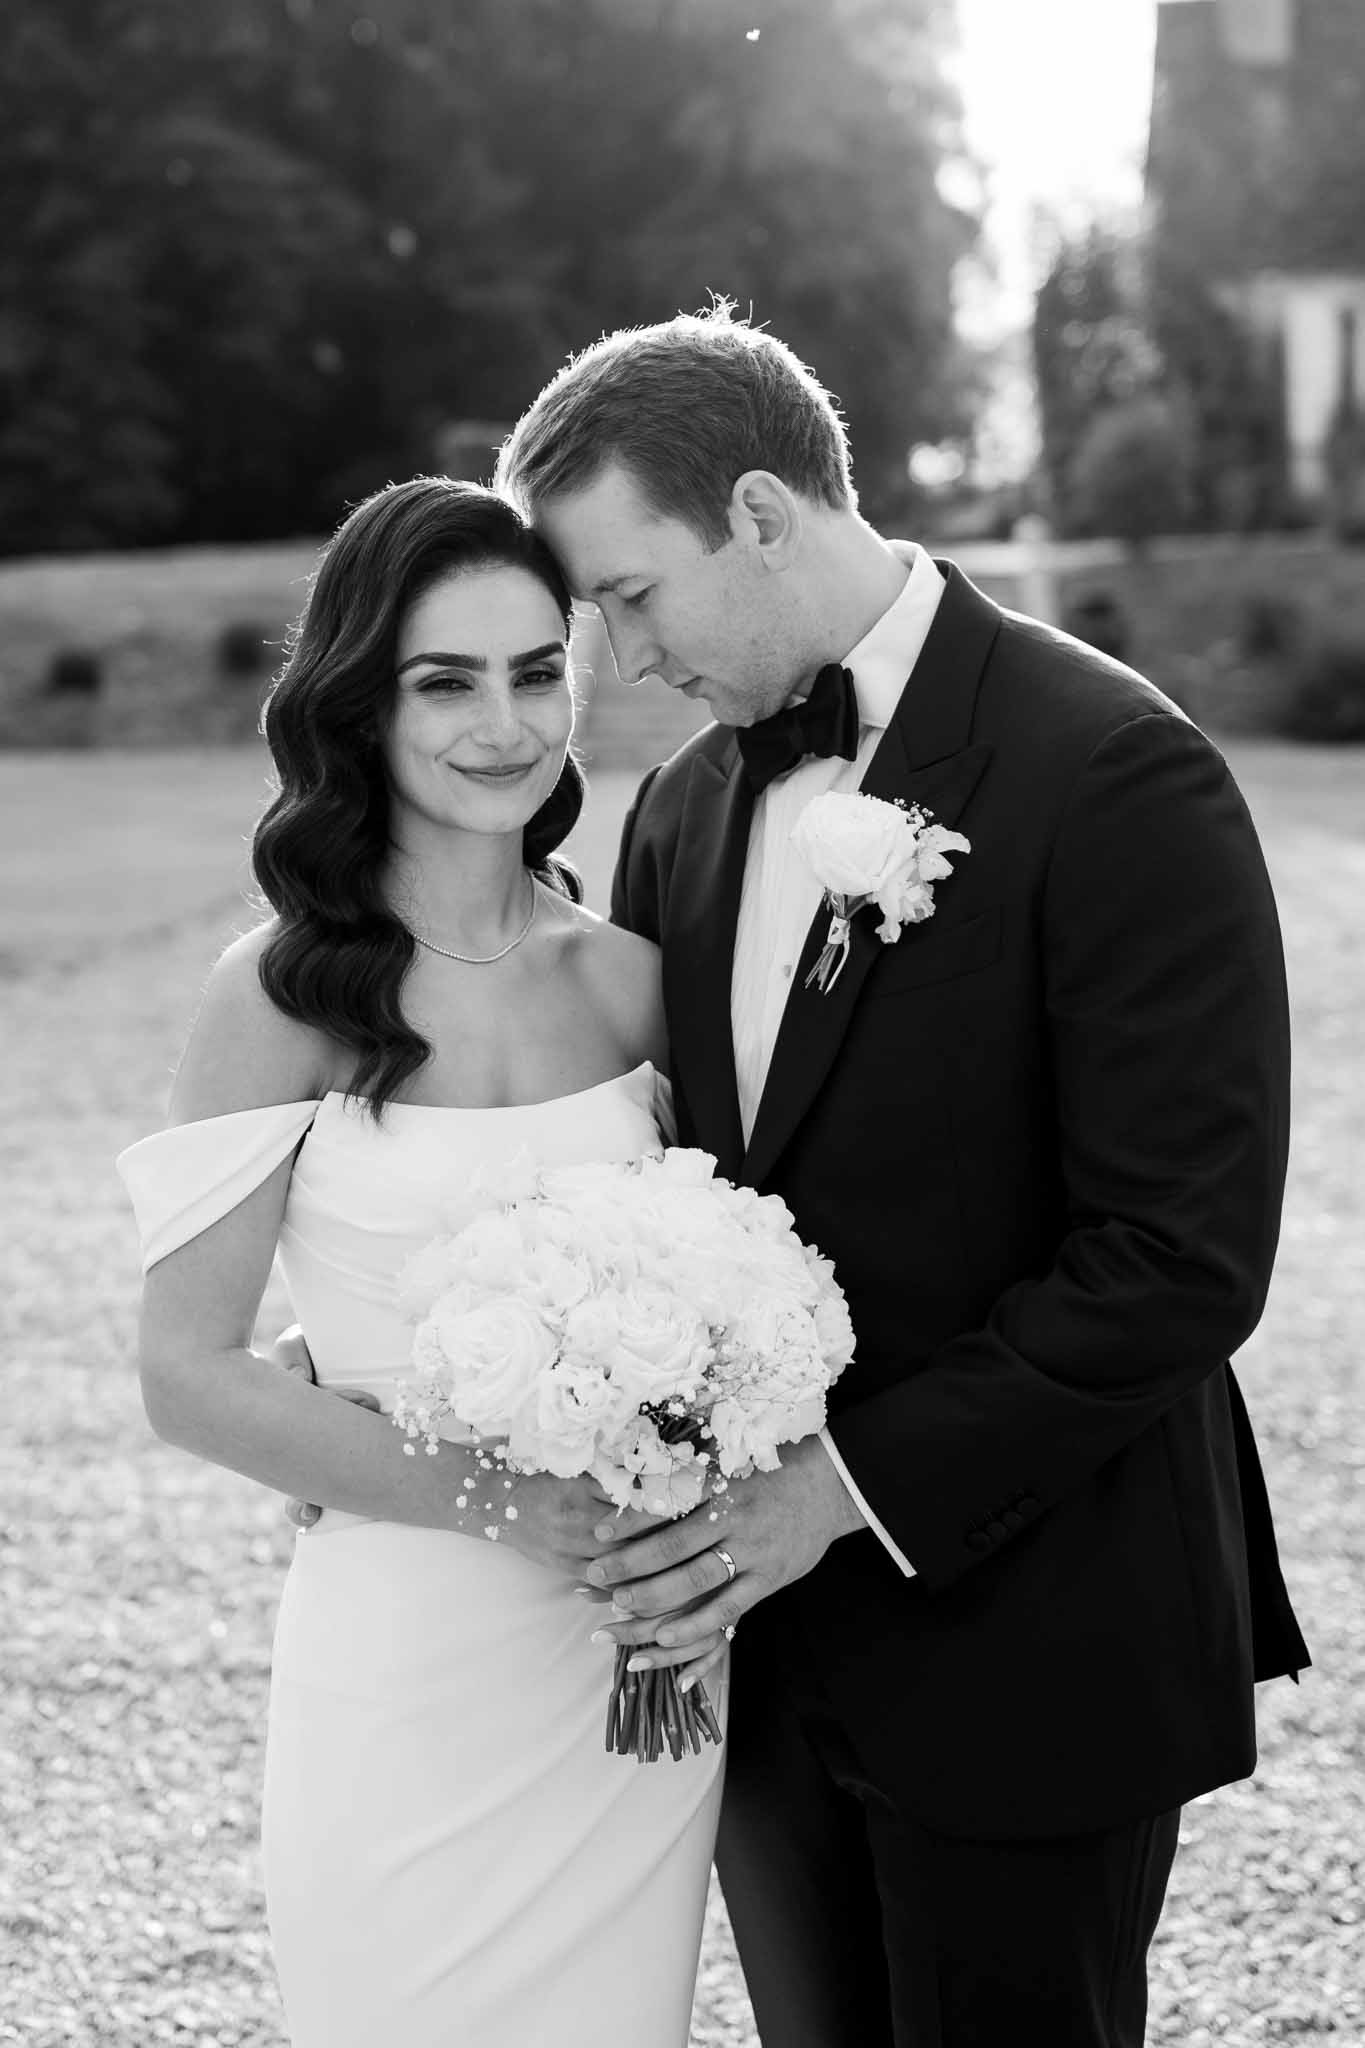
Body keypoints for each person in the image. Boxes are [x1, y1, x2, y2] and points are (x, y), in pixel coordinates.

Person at [494, 306, 1311, 2048]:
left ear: (766, 516)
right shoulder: (684, 810)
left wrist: (832, 1492)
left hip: (1033, 1637)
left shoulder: (1115, 771)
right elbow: (655, 1180)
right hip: (771, 1676)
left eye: (630, 595)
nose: (616, 665)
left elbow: (1177, 1253)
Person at [116, 479, 727, 2048]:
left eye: (536, 671)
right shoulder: (277, 994)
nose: (504, 723)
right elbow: (187, 1373)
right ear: (357, 703)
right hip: (408, 1644)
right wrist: (501, 1496)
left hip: (629, 1654)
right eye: (444, 681)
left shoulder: (636, 982)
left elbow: (743, 1268)